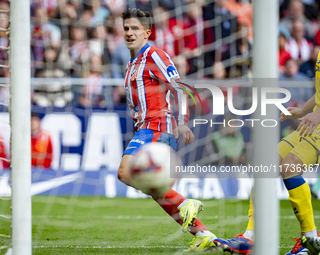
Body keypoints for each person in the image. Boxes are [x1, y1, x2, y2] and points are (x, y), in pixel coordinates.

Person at [117, 8, 216, 252]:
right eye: (126, 28)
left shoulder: (155, 55)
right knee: (156, 190)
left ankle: (185, 202)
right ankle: (202, 233)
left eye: (135, 29)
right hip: (147, 126)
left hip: (159, 125)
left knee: (126, 172)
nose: (129, 33)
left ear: (147, 32)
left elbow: (179, 87)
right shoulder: (132, 64)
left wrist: (182, 121)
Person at [213, 50, 320, 255]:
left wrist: (316, 115)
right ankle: (251, 237)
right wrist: (305, 111)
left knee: (289, 166)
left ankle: (310, 239)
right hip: (313, 122)